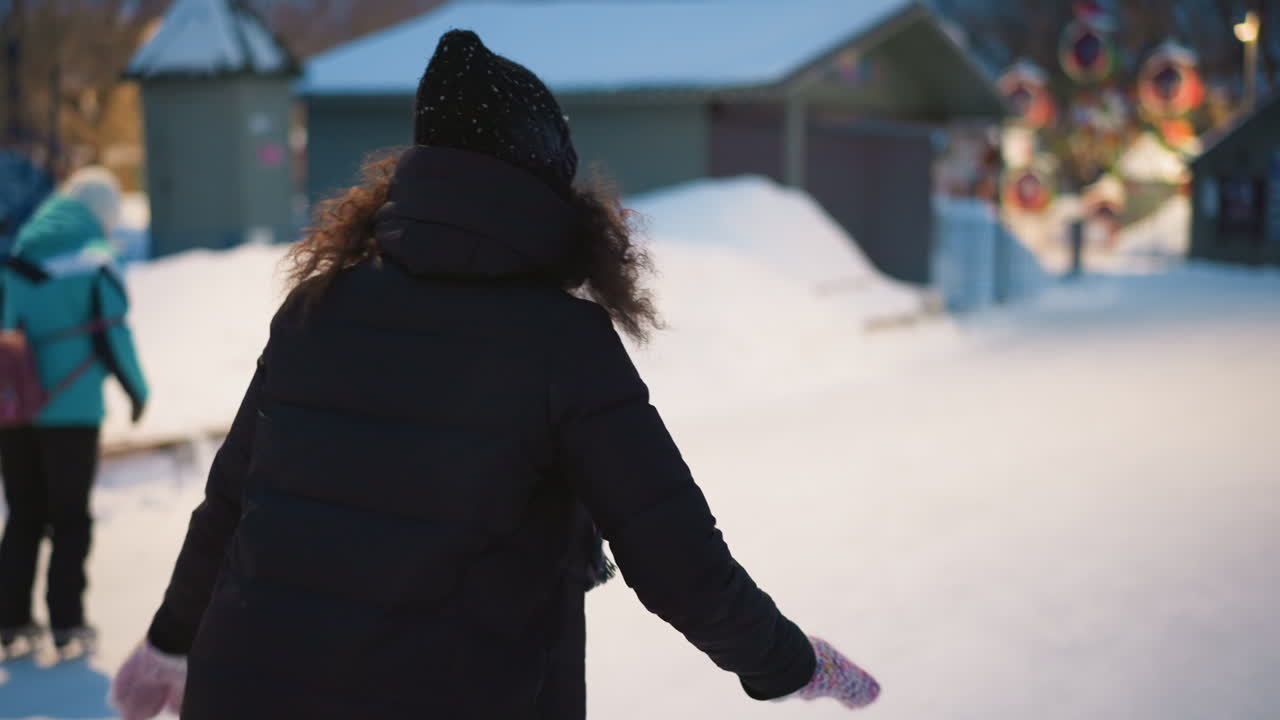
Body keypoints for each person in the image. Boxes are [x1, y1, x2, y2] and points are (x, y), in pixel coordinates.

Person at [110, 30, 879, 719]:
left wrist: (173, 641)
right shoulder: (561, 340)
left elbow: (230, 503)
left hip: (246, 692)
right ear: (548, 185)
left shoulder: (322, 304)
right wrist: (791, 663)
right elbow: (677, 559)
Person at [0, 166, 149, 654]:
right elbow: (114, 333)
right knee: (70, 518)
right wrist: (137, 390)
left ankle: (11, 620)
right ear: (103, 213)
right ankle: (67, 623)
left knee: (23, 514)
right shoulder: (95, 259)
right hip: (73, 410)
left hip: (15, 407)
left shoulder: (19, 251)